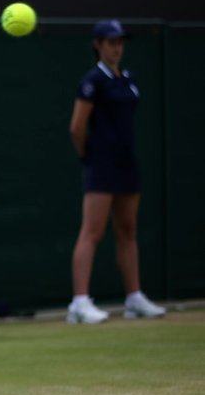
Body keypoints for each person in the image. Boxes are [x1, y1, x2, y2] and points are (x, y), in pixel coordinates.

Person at [67, 19, 166, 324]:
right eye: (111, 42)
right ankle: (79, 303)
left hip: (127, 164)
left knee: (128, 231)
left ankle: (134, 298)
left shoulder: (129, 79)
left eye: (120, 41)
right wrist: (89, 156)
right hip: (101, 165)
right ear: (98, 45)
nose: (117, 47)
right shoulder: (93, 81)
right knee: (93, 232)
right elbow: (76, 128)